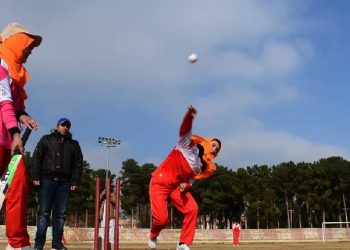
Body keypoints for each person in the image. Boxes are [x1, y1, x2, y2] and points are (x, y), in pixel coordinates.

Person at [148, 106, 221, 250]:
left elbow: (191, 180)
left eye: (217, 149)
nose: (214, 149)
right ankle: (153, 235)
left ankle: (183, 243)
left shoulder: (201, 166)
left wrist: (186, 185)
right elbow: (184, 130)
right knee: (162, 220)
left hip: (177, 187)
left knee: (192, 208)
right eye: (213, 145)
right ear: (206, 142)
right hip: (160, 182)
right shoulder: (187, 145)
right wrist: (190, 116)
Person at [0, 22, 41, 250]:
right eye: (27, 47)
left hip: (7, 140)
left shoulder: (14, 74)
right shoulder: (0, 67)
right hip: (6, 138)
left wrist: (23, 116)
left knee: (19, 186)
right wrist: (16, 133)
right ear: (16, 44)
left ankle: (17, 244)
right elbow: (3, 103)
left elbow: (13, 105)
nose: (29, 52)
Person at [30, 118, 83, 250]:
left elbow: (78, 164)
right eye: (63, 125)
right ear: (57, 125)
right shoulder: (46, 139)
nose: (65, 127)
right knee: (43, 213)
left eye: (68, 126)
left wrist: (75, 181)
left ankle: (57, 244)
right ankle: (39, 244)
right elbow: (36, 158)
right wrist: (35, 176)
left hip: (64, 183)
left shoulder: (74, 144)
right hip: (47, 180)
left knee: (60, 214)